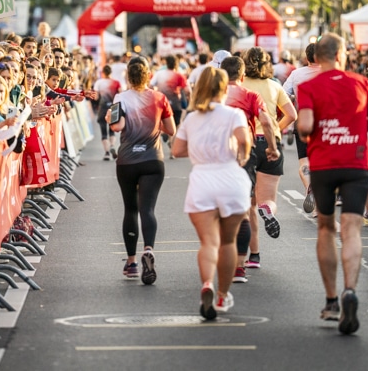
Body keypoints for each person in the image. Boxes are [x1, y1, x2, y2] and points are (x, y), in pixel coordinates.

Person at [296, 33, 368, 335]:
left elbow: (305, 126)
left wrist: (315, 127)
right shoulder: (361, 83)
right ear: (342, 54)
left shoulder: (308, 86)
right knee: (352, 229)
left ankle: (332, 301)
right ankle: (350, 290)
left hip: (323, 164)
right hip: (357, 162)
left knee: (325, 228)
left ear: (317, 57)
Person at [171, 67, 252, 319]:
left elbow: (176, 150)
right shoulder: (233, 114)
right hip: (230, 177)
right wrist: (243, 154)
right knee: (228, 242)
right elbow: (243, 139)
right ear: (225, 89)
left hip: (202, 179)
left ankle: (207, 283)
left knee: (208, 242)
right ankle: (221, 295)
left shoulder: (192, 118)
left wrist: (197, 151)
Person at [107, 58, 175, 285]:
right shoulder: (159, 98)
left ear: (128, 76)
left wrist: (111, 118)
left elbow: (117, 127)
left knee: (130, 209)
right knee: (148, 209)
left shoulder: (120, 98)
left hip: (127, 161)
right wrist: (156, 125)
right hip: (153, 160)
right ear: (148, 76)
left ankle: (132, 262)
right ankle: (149, 249)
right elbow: (171, 130)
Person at [221, 56, 279, 283]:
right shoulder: (250, 96)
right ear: (242, 76)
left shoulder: (213, 96)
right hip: (244, 154)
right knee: (244, 208)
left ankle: (221, 256)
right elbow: (265, 121)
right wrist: (273, 148)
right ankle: (239, 266)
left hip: (216, 155)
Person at [241, 47, 297, 269]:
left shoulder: (240, 86)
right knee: (268, 200)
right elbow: (291, 114)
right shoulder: (275, 86)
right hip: (271, 142)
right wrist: (276, 129)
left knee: (248, 205)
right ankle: (269, 210)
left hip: (248, 143)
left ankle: (253, 255)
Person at [283, 43, 321, 213]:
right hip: (325, 122)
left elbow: (283, 94)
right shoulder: (329, 73)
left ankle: (309, 188)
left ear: (306, 58)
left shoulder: (297, 74)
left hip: (303, 120)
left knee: (305, 161)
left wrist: (293, 96)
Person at [94, 65, 121, 160]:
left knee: (103, 131)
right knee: (112, 130)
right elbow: (120, 94)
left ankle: (106, 153)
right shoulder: (116, 82)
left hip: (102, 107)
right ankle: (112, 145)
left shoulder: (99, 83)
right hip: (113, 107)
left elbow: (96, 97)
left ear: (103, 73)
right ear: (111, 72)